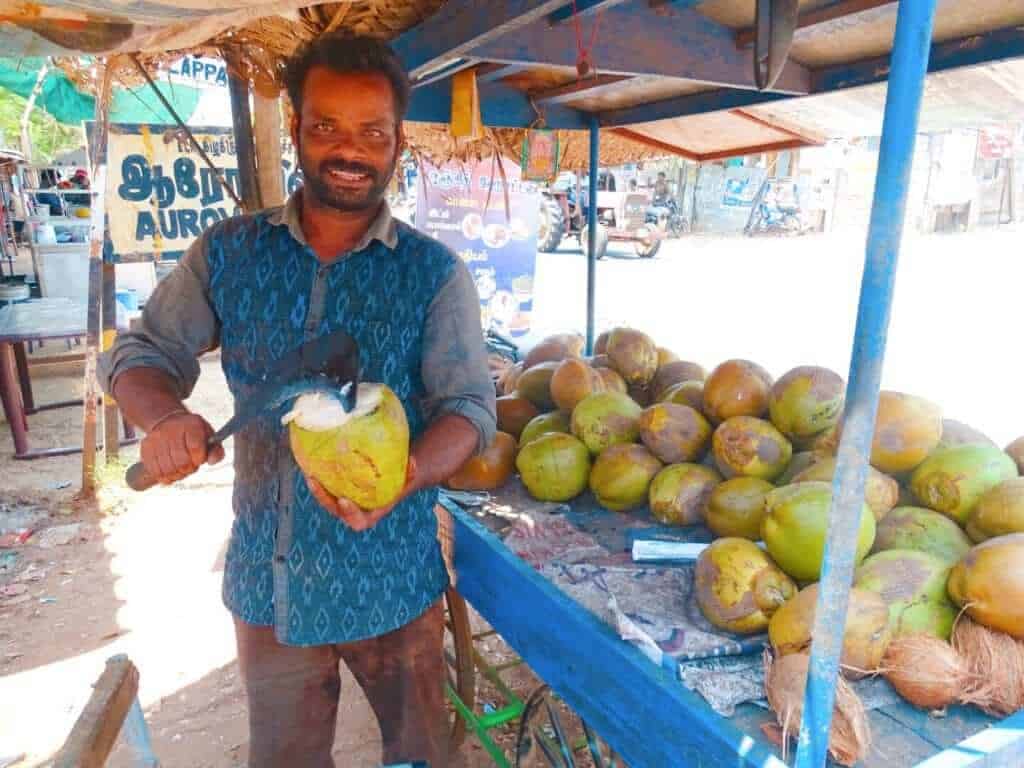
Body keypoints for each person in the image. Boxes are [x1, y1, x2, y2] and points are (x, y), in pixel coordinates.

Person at [98, 33, 497, 768]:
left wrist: (405, 473)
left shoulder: (434, 274)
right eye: (327, 127)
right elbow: (141, 353)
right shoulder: (229, 253)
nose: (350, 149)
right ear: (297, 128)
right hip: (270, 585)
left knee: (422, 756)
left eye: (372, 132)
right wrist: (162, 417)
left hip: (393, 587)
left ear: (397, 143)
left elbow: (470, 408)